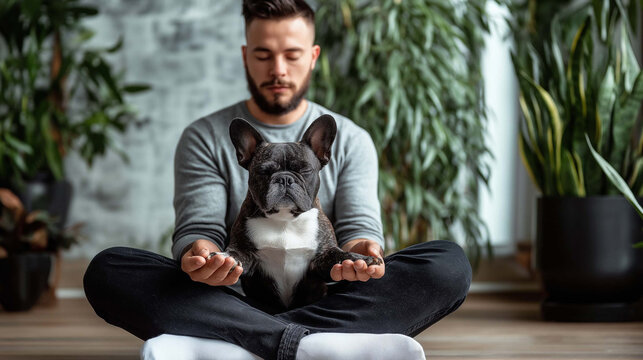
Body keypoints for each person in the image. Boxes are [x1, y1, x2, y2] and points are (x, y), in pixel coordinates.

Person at [83, 1, 472, 359]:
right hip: (238, 299)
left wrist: (365, 256)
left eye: (292, 54)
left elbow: (358, 230)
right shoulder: (204, 136)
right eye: (264, 55)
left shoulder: (352, 139)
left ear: (314, 56)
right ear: (245, 56)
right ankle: (315, 345)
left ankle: (239, 340)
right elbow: (199, 230)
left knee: (448, 265)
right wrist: (201, 257)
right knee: (109, 270)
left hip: (324, 298)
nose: (278, 70)